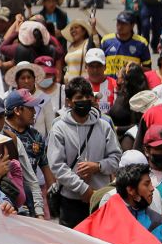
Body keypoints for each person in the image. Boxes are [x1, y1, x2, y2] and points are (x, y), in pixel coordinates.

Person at [47, 77, 122, 227]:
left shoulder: (104, 126)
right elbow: (57, 167)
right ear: (69, 102)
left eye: (88, 96)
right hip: (70, 202)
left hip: (101, 198)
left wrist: (98, 166)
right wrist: (84, 190)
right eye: (79, 97)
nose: (85, 100)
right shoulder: (59, 128)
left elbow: (116, 159)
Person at [101, 11, 151, 77]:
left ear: (132, 25)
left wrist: (136, 68)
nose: (120, 26)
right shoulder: (106, 40)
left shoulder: (141, 43)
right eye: (118, 22)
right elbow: (98, 64)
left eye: (124, 24)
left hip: (131, 85)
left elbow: (148, 70)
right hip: (109, 83)